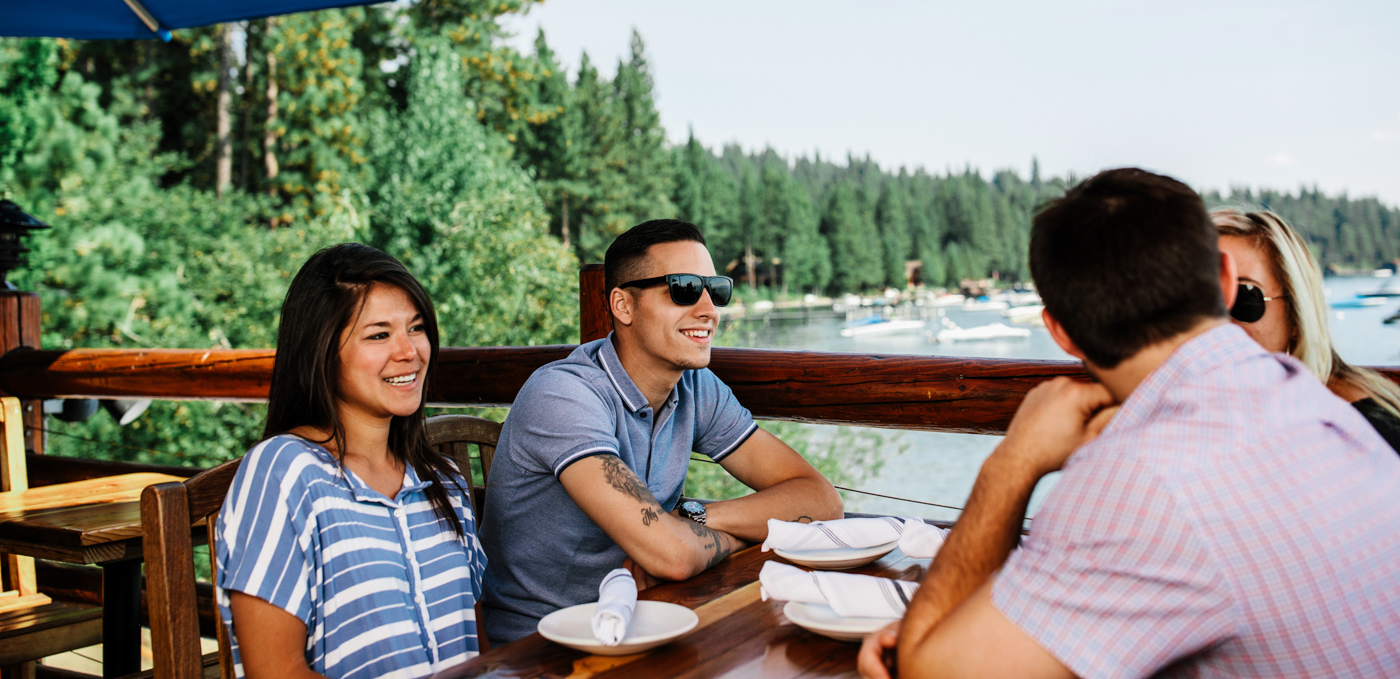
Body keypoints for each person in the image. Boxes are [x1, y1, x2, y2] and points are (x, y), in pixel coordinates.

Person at [858, 168, 1400, 679]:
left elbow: (933, 672)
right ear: (1224, 278)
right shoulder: (1304, 394)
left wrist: (1015, 461)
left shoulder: (1143, 476)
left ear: (1060, 332)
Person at [479, 218, 842, 642]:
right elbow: (672, 557)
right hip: (540, 647)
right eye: (684, 288)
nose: (708, 309)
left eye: (716, 290)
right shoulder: (563, 396)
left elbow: (821, 500)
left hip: (649, 620)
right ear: (623, 306)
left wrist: (697, 518)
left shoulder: (694, 386)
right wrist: (736, 535)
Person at [216, 244, 486, 679]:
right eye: (379, 335)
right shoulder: (284, 472)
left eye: (416, 328)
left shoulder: (444, 481)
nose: (409, 352)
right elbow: (274, 672)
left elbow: (477, 651)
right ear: (321, 350)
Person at [1213, 207, 1400, 452]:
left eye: (1245, 297)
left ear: (1296, 314)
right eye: (1198, 299)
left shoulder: (1366, 427)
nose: (1214, 323)